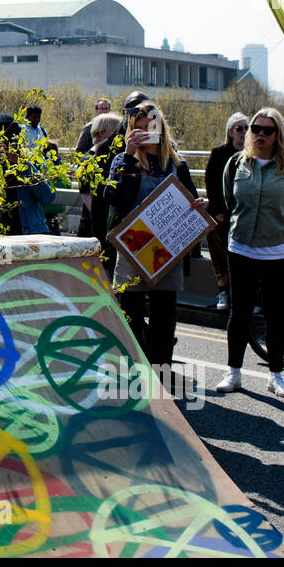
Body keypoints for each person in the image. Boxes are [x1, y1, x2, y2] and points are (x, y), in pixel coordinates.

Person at [213, 108, 284, 397]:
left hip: (277, 249)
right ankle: (234, 372)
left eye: (268, 130)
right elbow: (230, 201)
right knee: (239, 311)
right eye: (256, 129)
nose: (260, 135)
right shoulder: (236, 164)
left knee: (275, 313)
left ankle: (276, 375)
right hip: (241, 246)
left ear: (278, 134)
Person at [107, 101, 205, 367]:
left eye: (150, 127)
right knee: (130, 315)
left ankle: (161, 369)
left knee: (164, 317)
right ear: (130, 131)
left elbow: (191, 201)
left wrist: (200, 207)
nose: (145, 132)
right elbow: (114, 198)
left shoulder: (176, 164)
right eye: (138, 129)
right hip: (132, 249)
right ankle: (134, 370)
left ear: (161, 129)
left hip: (166, 250)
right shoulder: (122, 160)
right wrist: (128, 154)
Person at [0, 114, 53, 236]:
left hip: (30, 233)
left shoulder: (30, 162)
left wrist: (23, 165)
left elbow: (48, 197)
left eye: (12, 139)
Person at [204, 112, 248, 312]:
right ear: (230, 132)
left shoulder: (253, 152)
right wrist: (218, 211)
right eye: (239, 129)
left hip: (244, 212)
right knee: (220, 252)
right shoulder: (219, 153)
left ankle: (246, 296)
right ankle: (223, 290)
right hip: (223, 212)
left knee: (243, 256)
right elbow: (211, 183)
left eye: (247, 128)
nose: (244, 132)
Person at [82, 111, 122, 272]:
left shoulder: (115, 157)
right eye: (116, 131)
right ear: (103, 132)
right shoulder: (90, 158)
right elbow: (86, 195)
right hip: (97, 224)